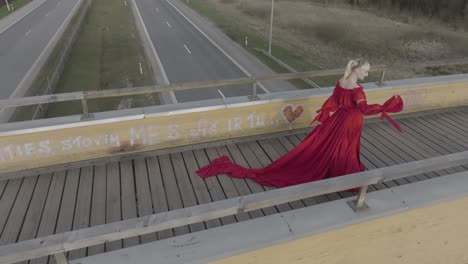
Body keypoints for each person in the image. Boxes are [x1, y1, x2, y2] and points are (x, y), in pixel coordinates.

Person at [197, 58, 403, 189]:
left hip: (338, 119)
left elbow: (334, 101)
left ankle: (336, 168)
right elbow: (364, 109)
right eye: (365, 72)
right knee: (344, 148)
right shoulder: (357, 90)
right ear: (357, 71)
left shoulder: (341, 82)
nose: (367, 75)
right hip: (349, 122)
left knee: (331, 146)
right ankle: (342, 172)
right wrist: (385, 106)